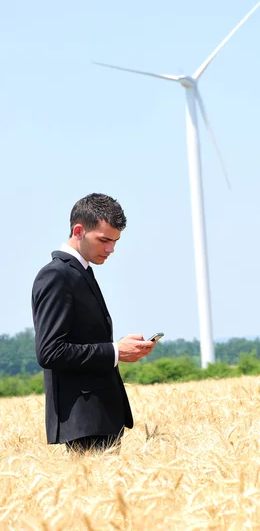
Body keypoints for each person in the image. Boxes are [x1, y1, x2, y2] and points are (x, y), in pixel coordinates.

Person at [31, 193, 156, 454]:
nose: (111, 249)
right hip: (83, 421)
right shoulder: (56, 275)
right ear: (79, 230)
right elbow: (50, 352)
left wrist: (118, 347)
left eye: (115, 241)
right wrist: (116, 351)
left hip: (98, 419)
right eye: (104, 240)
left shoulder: (80, 271)